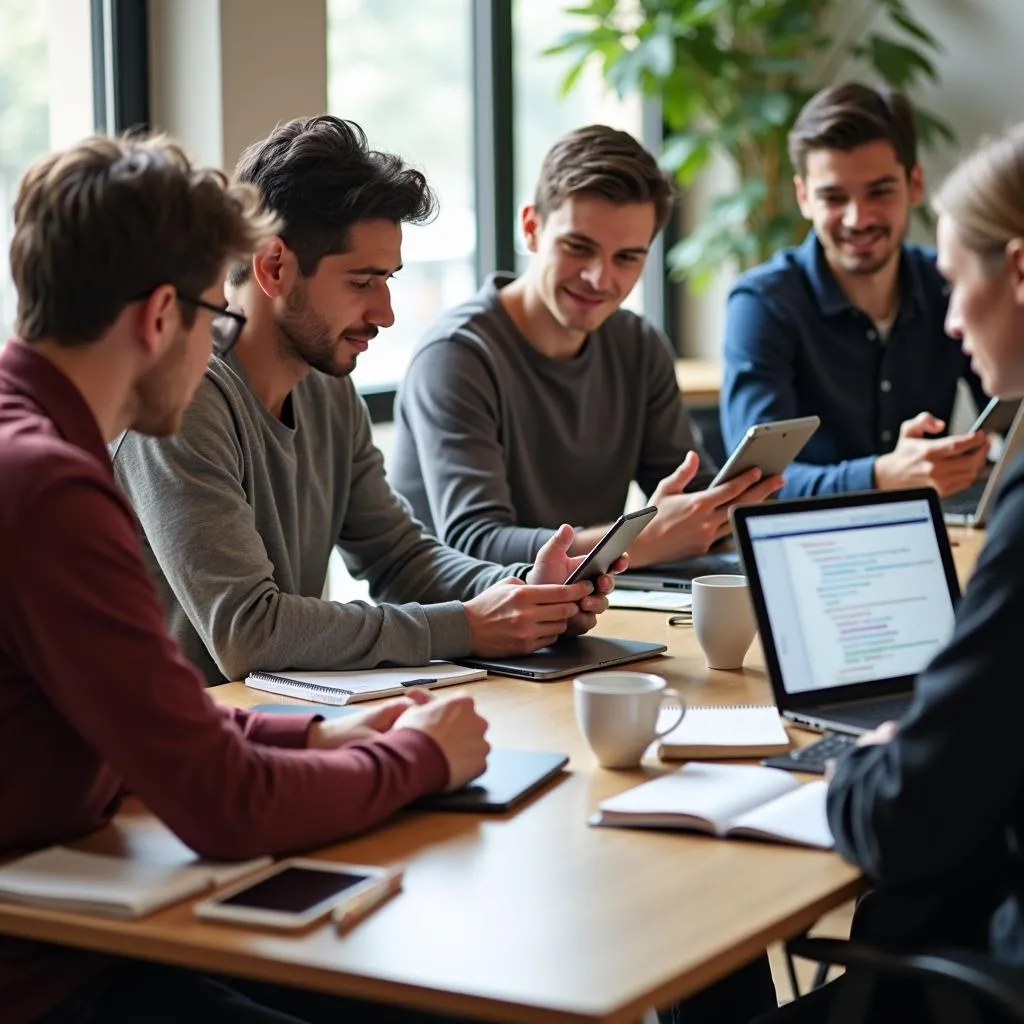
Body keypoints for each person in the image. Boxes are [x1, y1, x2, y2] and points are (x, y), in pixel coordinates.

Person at [0, 134, 492, 1023]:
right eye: (211, 319)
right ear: (159, 317)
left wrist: (310, 739)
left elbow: (152, 730)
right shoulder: (49, 491)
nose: (218, 343)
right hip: (49, 967)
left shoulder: (35, 448)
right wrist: (416, 756)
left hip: (84, 908)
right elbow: (223, 803)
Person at [113, 116, 617, 686]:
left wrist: (526, 592)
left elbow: (399, 558)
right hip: (171, 754)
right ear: (274, 266)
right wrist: (468, 627)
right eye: (361, 282)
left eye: (388, 280)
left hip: (274, 728)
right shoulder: (184, 406)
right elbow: (248, 631)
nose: (385, 313)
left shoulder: (328, 386)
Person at [759, 121, 1024, 1023]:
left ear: (1018, 272)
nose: (950, 320)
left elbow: (908, 815)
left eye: (957, 286)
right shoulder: (769, 299)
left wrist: (863, 766)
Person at [389, 124, 782, 568]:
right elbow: (475, 544)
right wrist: (643, 541)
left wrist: (722, 510)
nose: (600, 279)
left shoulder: (638, 344)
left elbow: (689, 495)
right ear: (532, 228)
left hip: (589, 608)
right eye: (579, 247)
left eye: (627, 257)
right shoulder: (457, 356)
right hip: (466, 624)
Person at [721, 83, 991, 499]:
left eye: (879, 191)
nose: (857, 218)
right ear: (803, 197)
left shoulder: (947, 285)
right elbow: (752, 485)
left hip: (936, 532)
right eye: (833, 197)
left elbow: (1011, 414)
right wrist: (882, 476)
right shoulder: (763, 305)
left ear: (914, 184)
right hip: (805, 546)